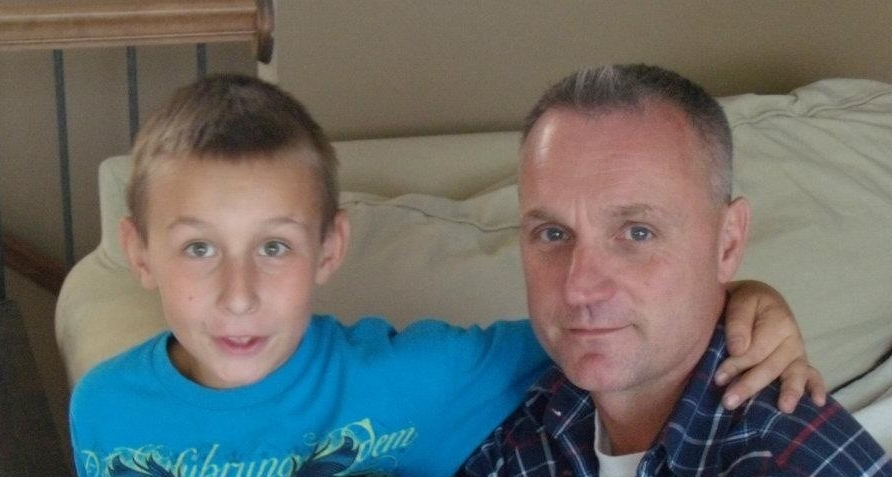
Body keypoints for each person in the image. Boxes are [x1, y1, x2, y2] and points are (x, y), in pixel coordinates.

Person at [70, 73, 822, 477]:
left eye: (273, 247)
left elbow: (604, 332)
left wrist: (742, 298)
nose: (238, 296)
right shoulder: (103, 408)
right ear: (139, 253)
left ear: (329, 249)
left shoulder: (426, 376)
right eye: (199, 249)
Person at [459, 64, 891, 476]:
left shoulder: (786, 459)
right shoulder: (531, 416)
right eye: (553, 234)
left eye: (638, 233)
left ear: (728, 243)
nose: (579, 289)